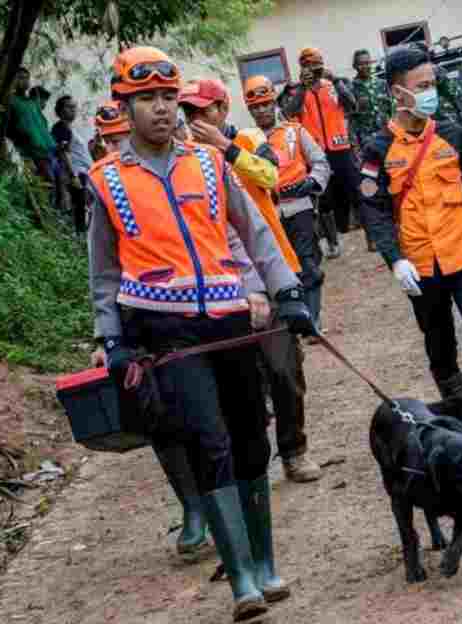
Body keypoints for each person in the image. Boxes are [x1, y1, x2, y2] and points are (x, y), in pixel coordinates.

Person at [87, 46, 314, 621]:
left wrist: (287, 292)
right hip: (164, 333)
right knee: (206, 442)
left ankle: (265, 565)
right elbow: (104, 271)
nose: (161, 109)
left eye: (168, 97)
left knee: (249, 438)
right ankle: (241, 581)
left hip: (229, 319)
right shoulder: (105, 181)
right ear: (125, 105)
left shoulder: (211, 165)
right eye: (147, 100)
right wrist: (111, 339)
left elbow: (256, 231)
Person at [359, 45, 462, 459]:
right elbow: (373, 210)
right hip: (420, 262)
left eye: (432, 84)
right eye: (422, 86)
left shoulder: (454, 134)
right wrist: (394, 259)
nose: (431, 92)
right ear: (399, 94)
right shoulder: (378, 148)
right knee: (440, 345)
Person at [180, 77, 324, 484]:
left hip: (270, 265)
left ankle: (295, 450)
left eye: (202, 112)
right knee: (242, 376)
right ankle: (252, 460)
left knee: (284, 368)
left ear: (221, 110)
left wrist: (226, 149)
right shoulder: (183, 156)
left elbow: (269, 176)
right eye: (188, 113)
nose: (194, 120)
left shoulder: (249, 139)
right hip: (220, 279)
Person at [244, 75, 331, 340]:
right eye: (256, 107)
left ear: (274, 103)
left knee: (308, 264)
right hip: (267, 214)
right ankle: (292, 322)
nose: (262, 110)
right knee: (278, 268)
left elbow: (320, 161)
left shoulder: (295, 131)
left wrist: (312, 182)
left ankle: (313, 322)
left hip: (299, 206)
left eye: (266, 104)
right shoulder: (246, 140)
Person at [280, 48, 358, 257]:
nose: (313, 68)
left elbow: (352, 105)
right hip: (315, 153)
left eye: (316, 64)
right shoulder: (296, 91)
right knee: (322, 199)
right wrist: (303, 88)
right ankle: (333, 243)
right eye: (308, 65)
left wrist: (335, 80)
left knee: (355, 190)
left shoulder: (334, 85)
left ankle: (370, 236)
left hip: (340, 147)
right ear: (302, 67)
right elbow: (288, 113)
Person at [6, 67, 57, 181]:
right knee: (46, 184)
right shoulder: (10, 101)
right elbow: (8, 129)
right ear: (13, 80)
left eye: (26, 78)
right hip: (31, 152)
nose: (24, 81)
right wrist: (22, 139)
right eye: (20, 78)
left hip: (47, 151)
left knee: (53, 186)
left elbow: (42, 124)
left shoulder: (32, 102)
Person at [51, 95, 93, 233]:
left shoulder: (71, 128)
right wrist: (73, 175)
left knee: (83, 207)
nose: (73, 110)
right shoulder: (61, 128)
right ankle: (77, 237)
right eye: (69, 107)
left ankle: (80, 236)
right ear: (60, 110)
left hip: (82, 173)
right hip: (74, 174)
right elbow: (64, 153)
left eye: (74, 107)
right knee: (78, 208)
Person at [349, 49, 394, 149]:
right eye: (361, 64)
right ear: (354, 66)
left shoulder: (382, 84)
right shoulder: (351, 88)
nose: (365, 67)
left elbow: (392, 109)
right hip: (367, 138)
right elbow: (351, 119)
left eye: (367, 63)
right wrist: (354, 144)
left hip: (388, 133)